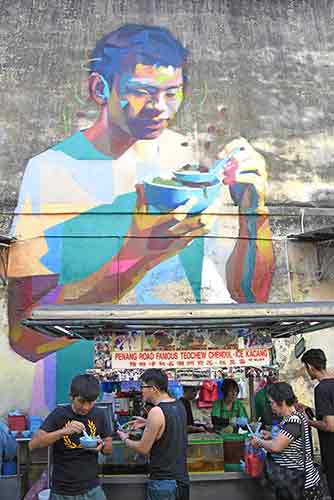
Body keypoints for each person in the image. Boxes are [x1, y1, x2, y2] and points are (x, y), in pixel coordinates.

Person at [8, 23, 274, 363]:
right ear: (99, 88)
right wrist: (138, 256)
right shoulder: (50, 170)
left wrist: (254, 212)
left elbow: (251, 296)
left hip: (182, 377)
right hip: (85, 385)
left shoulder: (195, 160)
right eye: (142, 92)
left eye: (172, 92)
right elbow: (24, 337)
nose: (160, 108)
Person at [29, 374, 112, 500]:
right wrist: (63, 431)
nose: (86, 407)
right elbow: (33, 444)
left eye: (90, 402)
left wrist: (102, 446)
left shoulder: (100, 414)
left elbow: (108, 449)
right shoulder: (59, 414)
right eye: (81, 401)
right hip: (62, 491)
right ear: (71, 397)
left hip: (92, 489)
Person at [117, 368, 189, 500]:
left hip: (164, 483)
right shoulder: (179, 405)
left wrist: (125, 438)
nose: (141, 390)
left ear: (153, 389)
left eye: (143, 386)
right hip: (181, 480)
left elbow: (143, 449)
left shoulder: (156, 412)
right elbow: (169, 426)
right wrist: (147, 422)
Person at [251, 382, 321, 500]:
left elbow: (276, 447)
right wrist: (270, 436)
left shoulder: (293, 421)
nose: (271, 406)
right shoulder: (292, 418)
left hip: (302, 484)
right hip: (295, 482)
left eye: (272, 402)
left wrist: (259, 441)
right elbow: (287, 442)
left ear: (282, 402)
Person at [301, 348, 334, 500]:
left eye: (306, 368)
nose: (307, 372)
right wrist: (310, 410)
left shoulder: (321, 389)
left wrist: (307, 421)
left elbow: (329, 425)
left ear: (310, 366)